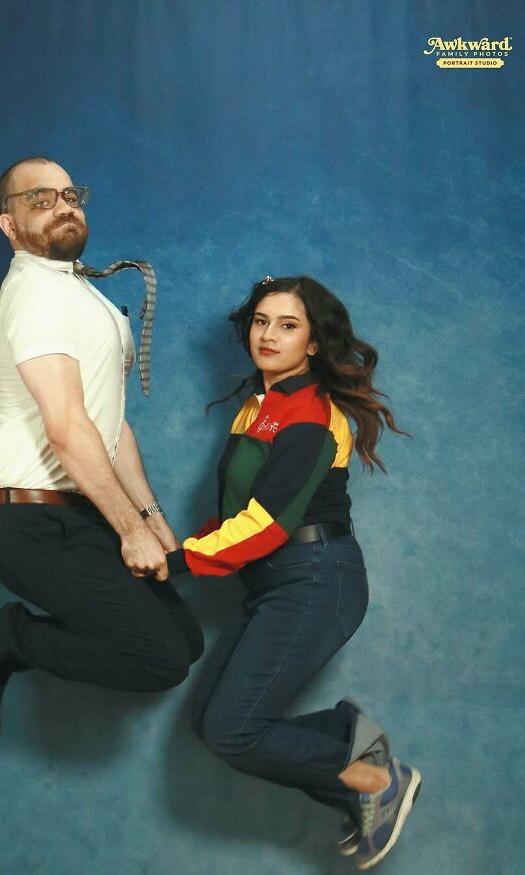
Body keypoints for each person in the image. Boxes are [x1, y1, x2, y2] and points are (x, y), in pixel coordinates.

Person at [0, 156, 202, 740]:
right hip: (30, 521)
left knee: (186, 639)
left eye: (70, 194)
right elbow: (66, 427)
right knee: (161, 659)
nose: (63, 207)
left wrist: (150, 516)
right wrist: (128, 529)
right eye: (40, 199)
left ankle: (4, 649)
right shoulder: (35, 294)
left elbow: (111, 425)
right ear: (9, 225)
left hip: (80, 512)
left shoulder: (81, 293)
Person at [165, 276, 421, 870]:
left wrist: (175, 564)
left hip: (315, 579)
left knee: (234, 733)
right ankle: (348, 739)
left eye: (288, 325)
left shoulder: (308, 414)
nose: (268, 335)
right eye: (261, 322)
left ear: (313, 343)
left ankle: (376, 780)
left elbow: (268, 525)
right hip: (278, 582)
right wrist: (181, 547)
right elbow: (238, 517)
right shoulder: (260, 408)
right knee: (211, 724)